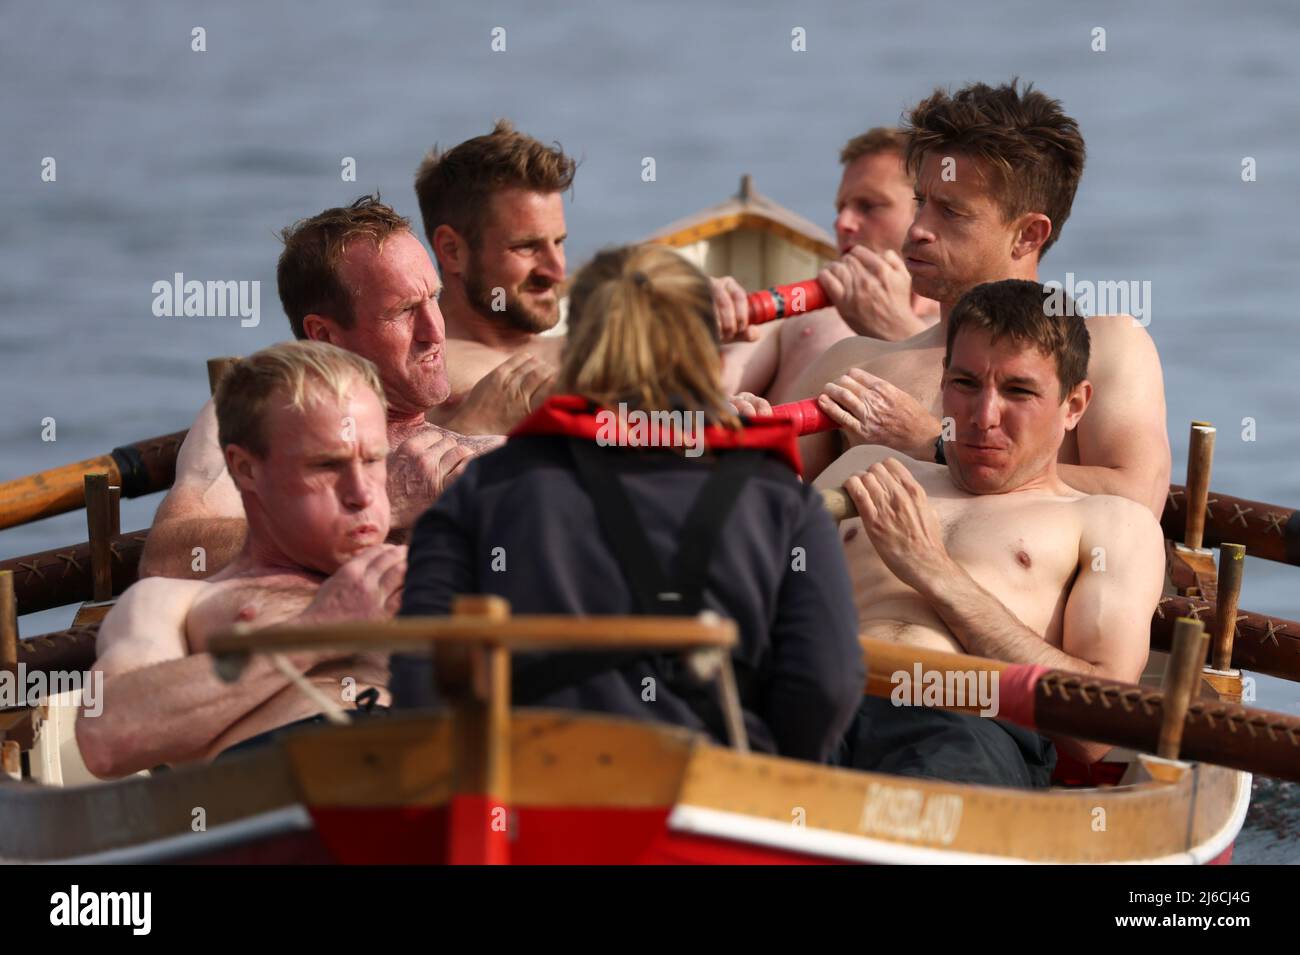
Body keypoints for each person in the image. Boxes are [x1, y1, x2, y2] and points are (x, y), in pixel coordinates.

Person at [391, 244, 864, 763]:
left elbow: (423, 685)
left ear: (575, 350)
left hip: (527, 801)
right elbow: (826, 686)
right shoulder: (783, 501)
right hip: (714, 800)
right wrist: (767, 780)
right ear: (708, 354)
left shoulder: (480, 492)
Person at [814, 280, 1165, 785]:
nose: (983, 417)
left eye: (1018, 391)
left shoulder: (1109, 523)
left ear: (1074, 405)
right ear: (942, 380)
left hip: (959, 727)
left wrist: (934, 572)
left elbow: (1094, 732)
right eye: (965, 384)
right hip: (810, 700)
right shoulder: (864, 466)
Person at [785, 80, 1171, 517]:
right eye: (920, 202)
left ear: (1028, 234)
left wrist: (931, 444)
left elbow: (1136, 498)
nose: (917, 230)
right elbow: (758, 496)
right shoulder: (852, 363)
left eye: (951, 212)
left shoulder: (1106, 345)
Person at [77, 342, 405, 777]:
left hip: (462, 768)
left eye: (374, 459)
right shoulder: (175, 603)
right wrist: (317, 630)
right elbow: (108, 737)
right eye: (327, 465)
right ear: (246, 470)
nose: (362, 493)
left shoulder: (439, 567)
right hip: (288, 793)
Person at [138, 197, 502, 579]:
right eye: (404, 311)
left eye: (435, 298)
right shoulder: (265, 410)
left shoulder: (482, 391)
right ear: (325, 335)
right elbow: (170, 558)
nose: (435, 331)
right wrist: (382, 501)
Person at [717, 127, 939, 398]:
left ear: (926, 212)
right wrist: (693, 324)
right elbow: (712, 390)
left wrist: (899, 332)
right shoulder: (801, 316)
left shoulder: (963, 333)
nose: (842, 223)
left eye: (868, 206)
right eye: (840, 208)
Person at [414, 119, 575, 433]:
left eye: (559, 242)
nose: (557, 271)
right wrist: (472, 427)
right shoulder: (423, 377)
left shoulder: (581, 342)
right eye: (526, 247)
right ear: (452, 250)